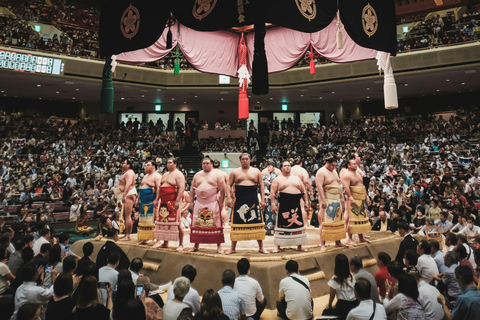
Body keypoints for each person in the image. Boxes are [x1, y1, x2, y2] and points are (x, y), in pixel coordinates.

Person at [226, 153, 267, 254]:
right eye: (243, 159)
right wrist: (229, 198)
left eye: (247, 159)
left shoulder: (256, 171)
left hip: (253, 199)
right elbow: (228, 185)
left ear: (250, 160)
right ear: (240, 160)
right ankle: (232, 248)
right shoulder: (235, 172)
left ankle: (261, 247)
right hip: (239, 199)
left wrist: (262, 200)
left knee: (257, 222)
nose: (245, 161)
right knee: (236, 222)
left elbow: (261, 186)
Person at [270, 161, 309, 252]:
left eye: (289, 165)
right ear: (281, 168)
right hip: (284, 205)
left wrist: (306, 202)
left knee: (298, 225)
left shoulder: (296, 178)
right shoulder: (277, 179)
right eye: (285, 166)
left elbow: (303, 191)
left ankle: (299, 246)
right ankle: (277, 246)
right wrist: (273, 205)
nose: (287, 167)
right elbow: (272, 193)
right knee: (281, 225)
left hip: (296, 204)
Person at [189, 157, 226, 253]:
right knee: (197, 223)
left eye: (207, 163)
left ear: (211, 164)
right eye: (203, 163)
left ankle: (219, 246)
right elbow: (192, 189)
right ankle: (196, 245)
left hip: (212, 202)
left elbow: (223, 189)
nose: (205, 165)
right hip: (199, 201)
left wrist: (221, 202)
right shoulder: (197, 175)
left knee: (215, 223)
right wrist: (190, 202)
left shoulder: (217, 175)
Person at [315, 157, 347, 252]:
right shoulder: (321, 172)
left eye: (335, 165)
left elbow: (338, 184)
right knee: (324, 222)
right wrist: (323, 200)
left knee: (337, 221)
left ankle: (338, 242)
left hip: (336, 199)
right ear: (327, 163)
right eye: (332, 165)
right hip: (327, 199)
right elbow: (319, 186)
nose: (334, 167)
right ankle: (322, 245)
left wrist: (342, 197)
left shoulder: (334, 171)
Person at [154, 157, 185, 250]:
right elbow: (160, 188)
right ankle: (165, 242)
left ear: (175, 164)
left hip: (173, 201)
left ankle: (181, 244)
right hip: (163, 202)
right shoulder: (165, 174)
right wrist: (157, 199)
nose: (168, 164)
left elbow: (181, 188)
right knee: (164, 223)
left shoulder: (179, 175)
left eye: (170, 163)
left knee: (177, 223)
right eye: (167, 163)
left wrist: (177, 201)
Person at [341, 156, 371, 246]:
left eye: (355, 164)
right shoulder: (346, 175)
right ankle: (350, 239)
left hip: (361, 197)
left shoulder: (358, 174)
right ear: (348, 165)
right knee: (351, 219)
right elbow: (346, 188)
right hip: (353, 198)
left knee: (360, 218)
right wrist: (350, 198)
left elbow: (363, 187)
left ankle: (360, 237)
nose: (355, 165)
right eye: (353, 164)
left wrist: (367, 198)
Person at [326, 254, 358, 320]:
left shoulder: (335, 279)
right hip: (355, 303)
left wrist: (329, 305)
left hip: (343, 306)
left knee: (325, 312)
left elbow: (332, 295)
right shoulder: (352, 276)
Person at [138, 160, 161, 244]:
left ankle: (158, 240)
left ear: (153, 166)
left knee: (155, 219)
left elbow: (159, 188)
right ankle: (145, 238)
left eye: (148, 165)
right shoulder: (145, 176)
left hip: (152, 200)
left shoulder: (157, 176)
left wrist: (156, 199)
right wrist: (138, 198)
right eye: (145, 165)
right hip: (143, 201)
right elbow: (141, 187)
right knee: (144, 220)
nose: (146, 167)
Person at [113, 159, 137, 241]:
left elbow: (129, 183)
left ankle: (127, 235)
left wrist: (124, 195)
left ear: (128, 165)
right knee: (125, 216)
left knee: (127, 215)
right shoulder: (127, 173)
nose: (122, 164)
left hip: (128, 194)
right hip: (126, 194)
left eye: (124, 163)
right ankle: (126, 234)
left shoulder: (130, 173)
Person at [290, 158, 314, 227]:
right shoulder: (302, 170)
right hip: (299, 189)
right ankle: (305, 223)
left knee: (291, 206)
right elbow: (306, 181)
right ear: (301, 163)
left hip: (289, 189)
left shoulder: (290, 169)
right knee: (302, 206)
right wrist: (310, 190)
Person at [262, 161, 279, 235]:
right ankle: (267, 230)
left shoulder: (277, 177)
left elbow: (278, 187)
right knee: (265, 213)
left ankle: (275, 229)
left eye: (270, 167)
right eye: (268, 167)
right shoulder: (264, 176)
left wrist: (270, 184)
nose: (269, 168)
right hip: (265, 197)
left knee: (274, 213)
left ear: (274, 168)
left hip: (273, 197)